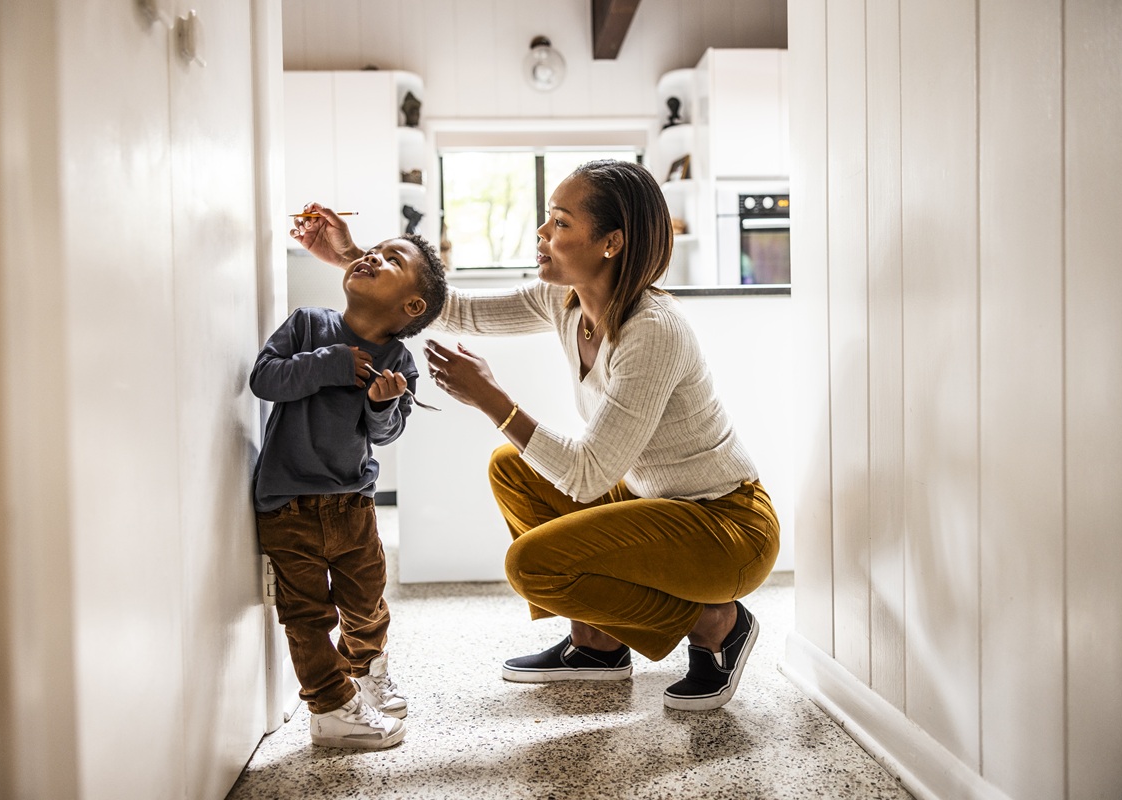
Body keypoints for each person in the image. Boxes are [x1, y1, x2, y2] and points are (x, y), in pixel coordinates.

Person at [299, 160, 780, 712]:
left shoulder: (653, 331)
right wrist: (350, 256)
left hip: (726, 528)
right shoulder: (567, 300)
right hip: (658, 504)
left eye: (560, 222)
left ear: (611, 243)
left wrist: (491, 399)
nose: (542, 234)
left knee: (534, 566)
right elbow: (453, 309)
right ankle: (598, 644)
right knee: (513, 468)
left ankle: (717, 622)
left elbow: (588, 473)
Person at [251, 206, 447, 749]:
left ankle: (363, 674)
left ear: (410, 306)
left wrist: (382, 404)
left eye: (389, 259)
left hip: (353, 506)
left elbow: (385, 434)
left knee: (366, 602)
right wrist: (331, 363)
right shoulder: (308, 324)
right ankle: (331, 708)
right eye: (371, 250)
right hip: (287, 505)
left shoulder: (400, 362)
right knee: (306, 615)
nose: (368, 255)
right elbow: (264, 379)